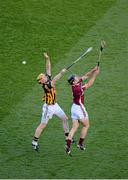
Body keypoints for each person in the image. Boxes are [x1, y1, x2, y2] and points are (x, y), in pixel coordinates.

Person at [32, 52, 69, 151]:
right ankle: (34, 142)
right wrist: (61, 73)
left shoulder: (47, 78)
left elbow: (48, 68)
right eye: (43, 76)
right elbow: (54, 81)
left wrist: (47, 58)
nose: (45, 75)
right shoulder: (46, 85)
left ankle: (68, 137)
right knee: (43, 125)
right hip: (48, 108)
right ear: (41, 80)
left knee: (65, 118)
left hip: (55, 105)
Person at [65, 66, 100, 155]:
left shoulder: (75, 84)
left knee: (74, 127)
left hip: (74, 108)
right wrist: (95, 75)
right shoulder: (77, 89)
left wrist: (93, 70)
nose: (77, 77)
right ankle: (80, 144)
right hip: (79, 108)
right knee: (86, 125)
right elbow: (89, 84)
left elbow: (85, 76)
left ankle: (68, 146)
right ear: (73, 81)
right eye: (75, 77)